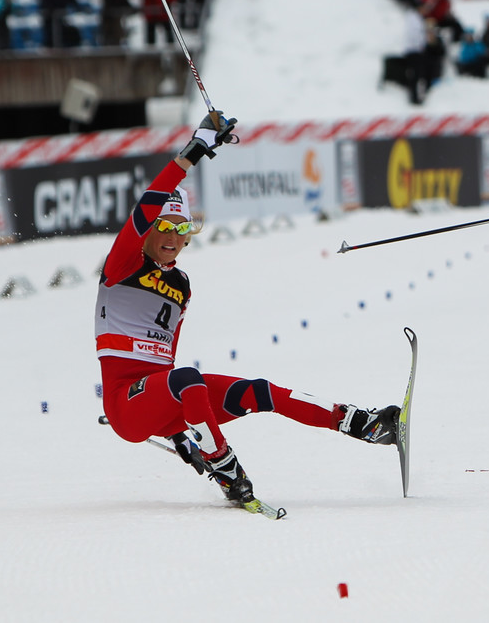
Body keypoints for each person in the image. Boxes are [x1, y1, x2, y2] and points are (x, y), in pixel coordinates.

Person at [96, 113, 402, 512]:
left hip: (163, 399)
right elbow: (150, 200)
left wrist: (183, 435)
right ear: (148, 232)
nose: (173, 239)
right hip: (125, 406)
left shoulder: (180, 285)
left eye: (182, 230)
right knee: (188, 378)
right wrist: (195, 151)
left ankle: (363, 424)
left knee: (260, 391)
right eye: (164, 228)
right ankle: (226, 470)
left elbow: (162, 363)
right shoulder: (123, 265)